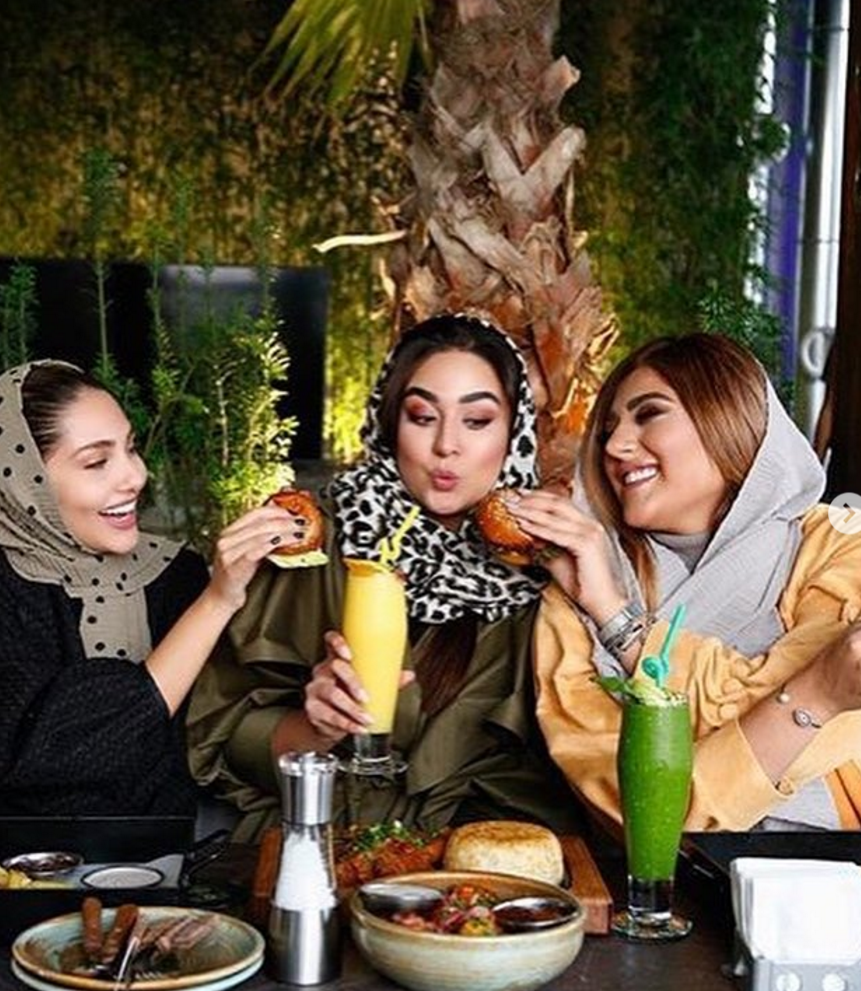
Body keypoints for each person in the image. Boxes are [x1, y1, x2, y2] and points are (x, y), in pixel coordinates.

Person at [187, 315, 582, 841]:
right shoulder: (315, 546)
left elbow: (581, 765)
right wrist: (315, 728)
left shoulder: (544, 568)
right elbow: (221, 739)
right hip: (318, 845)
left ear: (516, 433)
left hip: (476, 864)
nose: (447, 445)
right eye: (422, 416)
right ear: (388, 421)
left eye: (477, 420)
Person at [0, 360, 297, 817]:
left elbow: (221, 735)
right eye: (96, 462)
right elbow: (42, 760)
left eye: (131, 449)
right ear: (25, 482)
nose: (135, 477)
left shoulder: (177, 575)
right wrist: (215, 604)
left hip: (157, 857)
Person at [518, 333, 861, 831]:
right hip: (660, 876)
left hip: (854, 866)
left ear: (726, 417)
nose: (614, 445)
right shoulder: (578, 586)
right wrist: (815, 694)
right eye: (607, 429)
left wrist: (621, 628)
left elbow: (822, 713)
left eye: (649, 414)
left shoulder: (852, 546)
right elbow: (634, 806)